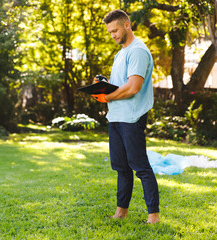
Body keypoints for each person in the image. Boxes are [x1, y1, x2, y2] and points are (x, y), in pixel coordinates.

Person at [92, 9, 160, 224]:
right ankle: (121, 211)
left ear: (127, 25)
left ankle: (153, 216)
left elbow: (133, 87)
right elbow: (121, 83)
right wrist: (101, 88)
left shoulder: (138, 51)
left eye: (115, 30)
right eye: (110, 32)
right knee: (121, 167)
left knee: (141, 167)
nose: (112, 35)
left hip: (132, 117)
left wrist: (107, 97)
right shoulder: (121, 52)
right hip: (116, 118)